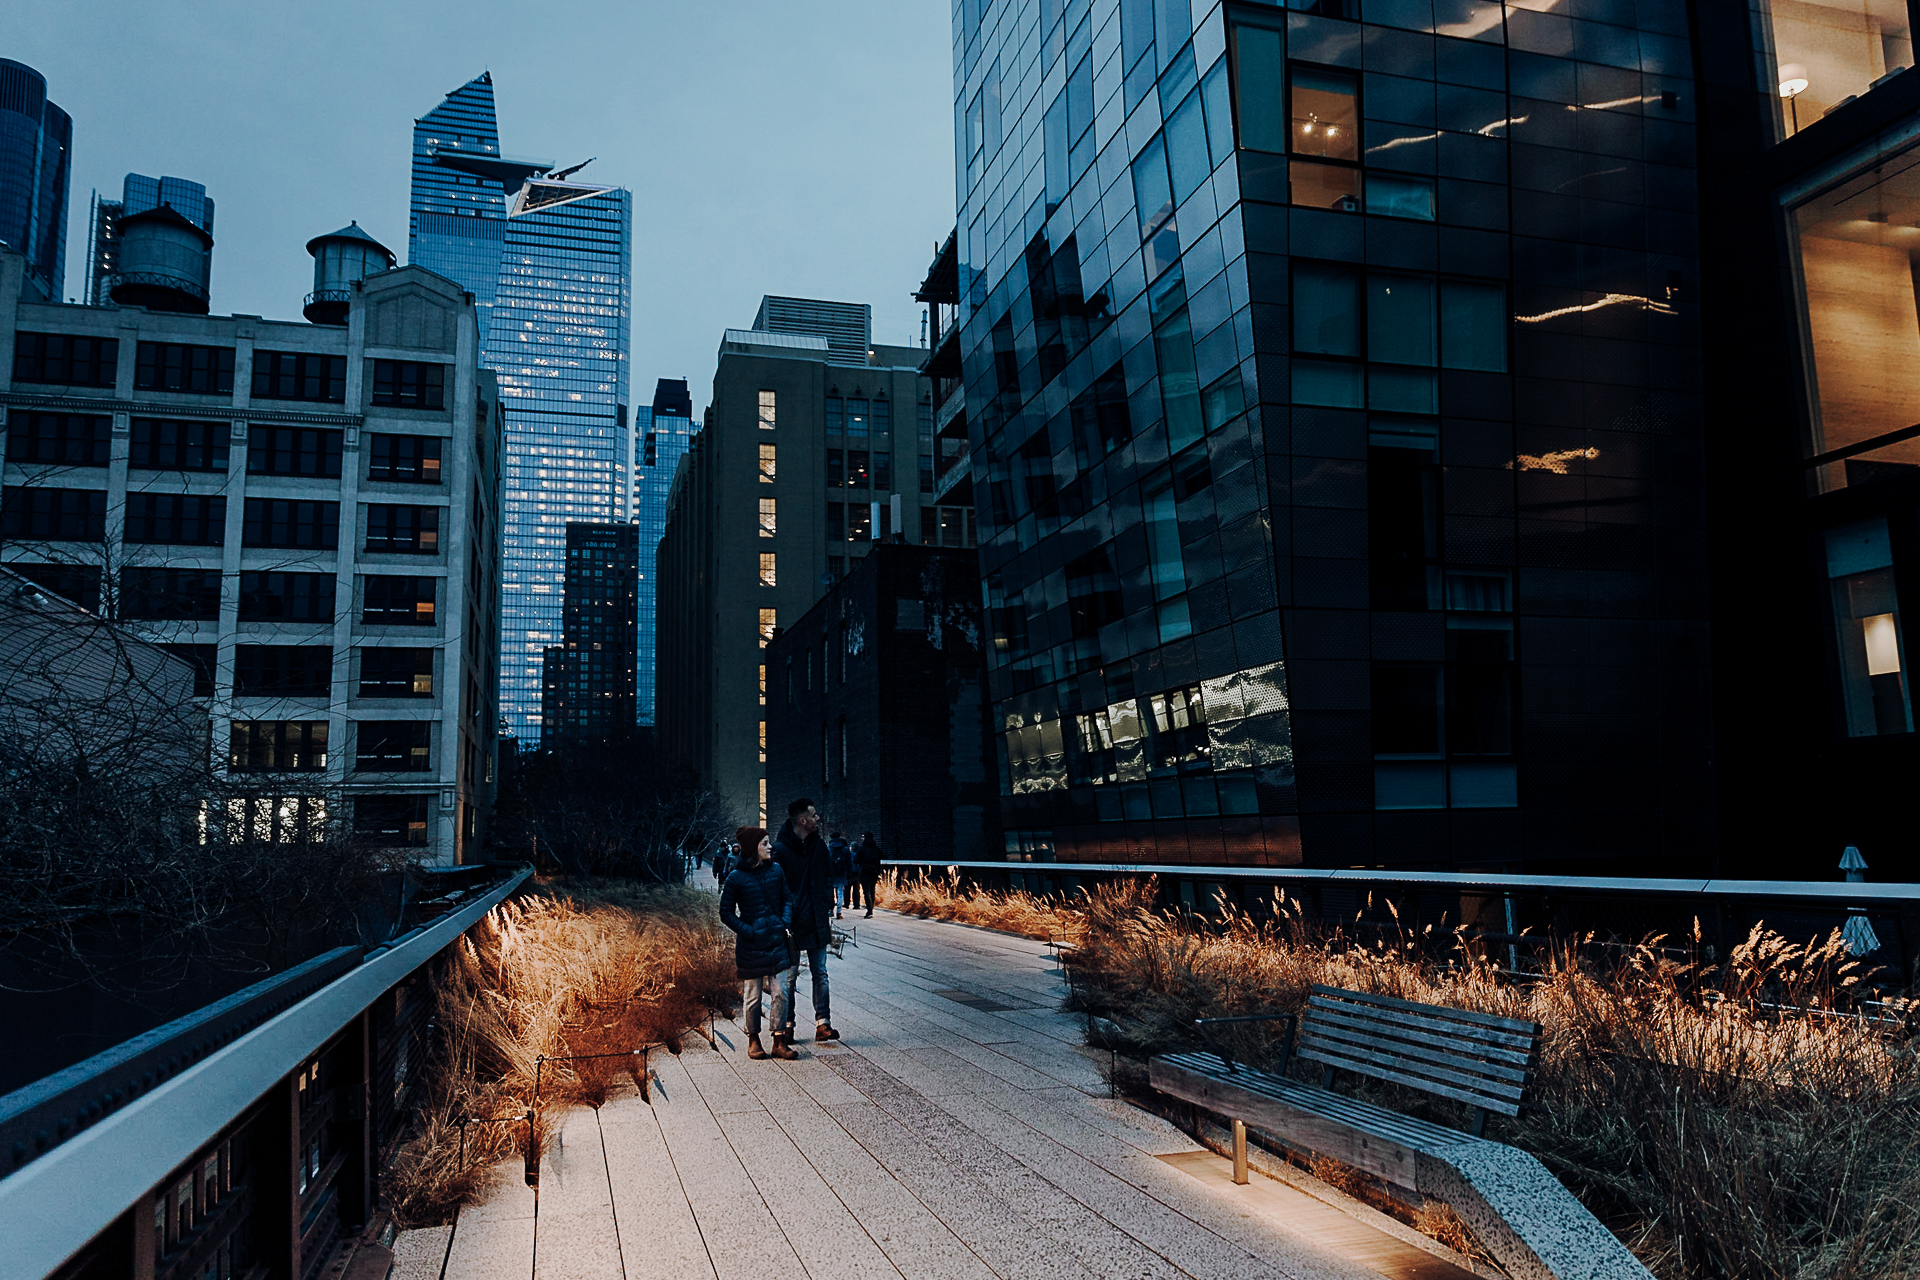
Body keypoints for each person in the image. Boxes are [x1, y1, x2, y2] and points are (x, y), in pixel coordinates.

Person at [717, 826, 798, 1060]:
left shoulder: (776, 870)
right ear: (753, 848)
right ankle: (753, 1041)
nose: (770, 846)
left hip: (778, 941)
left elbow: (787, 898)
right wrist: (749, 931)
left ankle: (779, 1040)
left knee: (781, 992)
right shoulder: (736, 877)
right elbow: (726, 912)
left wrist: (783, 921)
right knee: (752, 995)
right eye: (765, 843)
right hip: (751, 946)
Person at [771, 797, 840, 1046]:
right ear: (802, 820)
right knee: (790, 976)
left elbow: (827, 877)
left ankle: (823, 1024)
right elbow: (774, 887)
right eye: (814, 815)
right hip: (792, 923)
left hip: (817, 918)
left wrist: (827, 904)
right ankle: (787, 1026)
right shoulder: (780, 850)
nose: (818, 818)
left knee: (820, 972)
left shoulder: (819, 846)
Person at [852, 831, 884, 918]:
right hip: (874, 872)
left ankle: (869, 910)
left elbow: (856, 860)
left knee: (866, 891)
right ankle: (871, 908)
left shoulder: (862, 848)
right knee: (872, 890)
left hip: (864, 872)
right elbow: (883, 856)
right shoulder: (876, 848)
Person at [827, 829, 852, 920]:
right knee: (840, 892)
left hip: (831, 873)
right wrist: (849, 874)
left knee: (830, 892)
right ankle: (839, 911)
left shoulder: (829, 849)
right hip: (842, 873)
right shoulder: (845, 849)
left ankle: (830, 909)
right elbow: (849, 863)